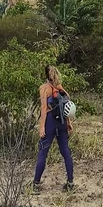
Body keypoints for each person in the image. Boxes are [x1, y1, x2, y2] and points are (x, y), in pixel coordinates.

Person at [32, 65, 74, 193]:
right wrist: (68, 122)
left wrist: (42, 126)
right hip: (61, 122)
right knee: (66, 151)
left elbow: (44, 108)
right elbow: (67, 104)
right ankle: (70, 182)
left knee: (43, 152)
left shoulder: (44, 88)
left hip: (50, 121)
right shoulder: (60, 88)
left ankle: (36, 185)